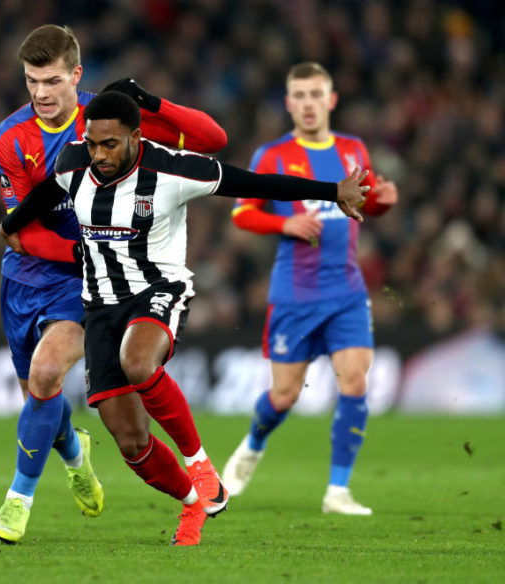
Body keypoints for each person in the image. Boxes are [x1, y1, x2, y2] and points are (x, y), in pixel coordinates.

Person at [0, 90, 370, 545]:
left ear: (135, 137)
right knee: (131, 443)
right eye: (93, 144)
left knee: (139, 362)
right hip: (99, 307)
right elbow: (43, 195)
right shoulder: (74, 163)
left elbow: (253, 182)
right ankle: (193, 505)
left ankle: (200, 465)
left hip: (159, 290)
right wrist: (11, 222)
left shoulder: (174, 168)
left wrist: (332, 192)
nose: (99, 155)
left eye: (110, 144)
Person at [0, 24, 229, 544]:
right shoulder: (9, 138)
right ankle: (75, 454)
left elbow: (212, 142)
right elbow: (19, 233)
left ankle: (16, 502)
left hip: (92, 282)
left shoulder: (110, 120)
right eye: (31, 81)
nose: (40, 93)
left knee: (47, 372)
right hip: (27, 279)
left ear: (76, 75)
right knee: (39, 392)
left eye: (51, 81)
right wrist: (73, 247)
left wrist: (149, 99)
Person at [222, 62, 398, 515]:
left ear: (331, 99)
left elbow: (365, 202)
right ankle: (253, 444)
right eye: (298, 95)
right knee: (283, 396)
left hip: (346, 291)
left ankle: (338, 491)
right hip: (295, 293)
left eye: (315, 94)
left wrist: (381, 201)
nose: (307, 103)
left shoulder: (353, 148)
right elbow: (242, 213)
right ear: (288, 103)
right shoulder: (272, 155)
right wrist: (286, 221)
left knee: (355, 381)